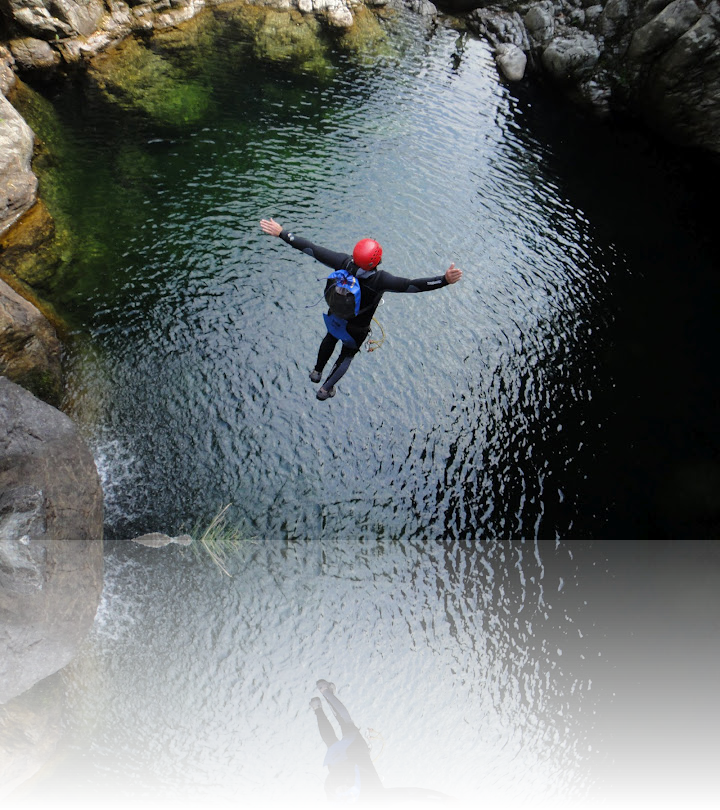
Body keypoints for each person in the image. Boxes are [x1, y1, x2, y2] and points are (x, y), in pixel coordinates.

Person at [259, 218, 462, 400]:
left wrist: (282, 233)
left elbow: (311, 248)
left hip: (334, 318)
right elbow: (413, 285)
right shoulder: (381, 280)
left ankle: (316, 371)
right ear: (377, 260)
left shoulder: (343, 262)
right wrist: (443, 280)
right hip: (355, 331)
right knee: (346, 355)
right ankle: (325, 389)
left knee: (330, 337)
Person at [310, 679, 463, 810]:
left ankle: (325, 691)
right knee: (331, 742)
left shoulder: (380, 800)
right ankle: (317, 708)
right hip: (336, 766)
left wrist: (444, 799)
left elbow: (412, 793)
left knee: (347, 724)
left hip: (356, 751)